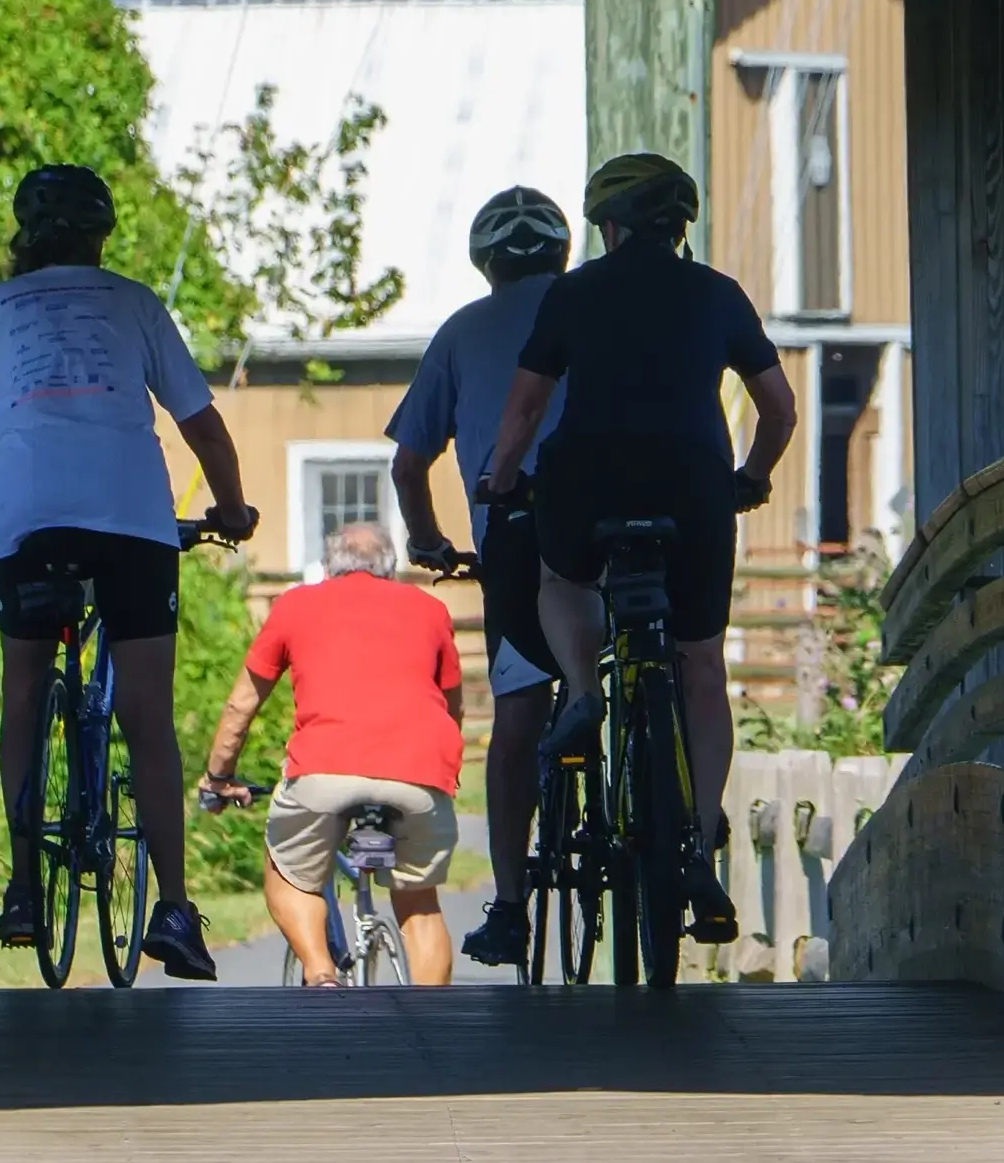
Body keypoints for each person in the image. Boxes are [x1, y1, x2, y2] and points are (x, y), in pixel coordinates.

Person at [0, 163, 256, 982]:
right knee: (147, 714)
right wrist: (232, 509)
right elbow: (204, 427)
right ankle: (175, 910)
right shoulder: (135, 302)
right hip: (133, 528)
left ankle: (20, 885)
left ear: (23, 235)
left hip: (28, 528)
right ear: (102, 234)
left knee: (23, 687)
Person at [481, 151, 797, 948]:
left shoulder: (573, 293)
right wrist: (749, 478)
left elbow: (523, 411)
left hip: (589, 479)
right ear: (681, 225)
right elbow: (779, 408)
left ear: (609, 226)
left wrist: (501, 478)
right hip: (693, 484)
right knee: (701, 663)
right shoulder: (719, 294)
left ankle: (585, 694)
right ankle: (697, 842)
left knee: (561, 578)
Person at [386, 185, 573, 970]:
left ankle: (508, 905)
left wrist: (430, 540)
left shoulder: (462, 331)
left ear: (485, 263)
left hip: (517, 539)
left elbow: (409, 462)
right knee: (649, 655)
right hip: (614, 517)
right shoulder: (597, 309)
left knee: (521, 709)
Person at [199, 519, 464, 987]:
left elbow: (242, 703)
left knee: (288, 870)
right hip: (420, 775)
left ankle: (320, 973)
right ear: (391, 567)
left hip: (323, 773)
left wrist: (219, 778)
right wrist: (442, 769)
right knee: (420, 904)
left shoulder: (296, 604)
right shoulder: (429, 609)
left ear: (329, 565)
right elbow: (451, 706)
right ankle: (432, 1025)